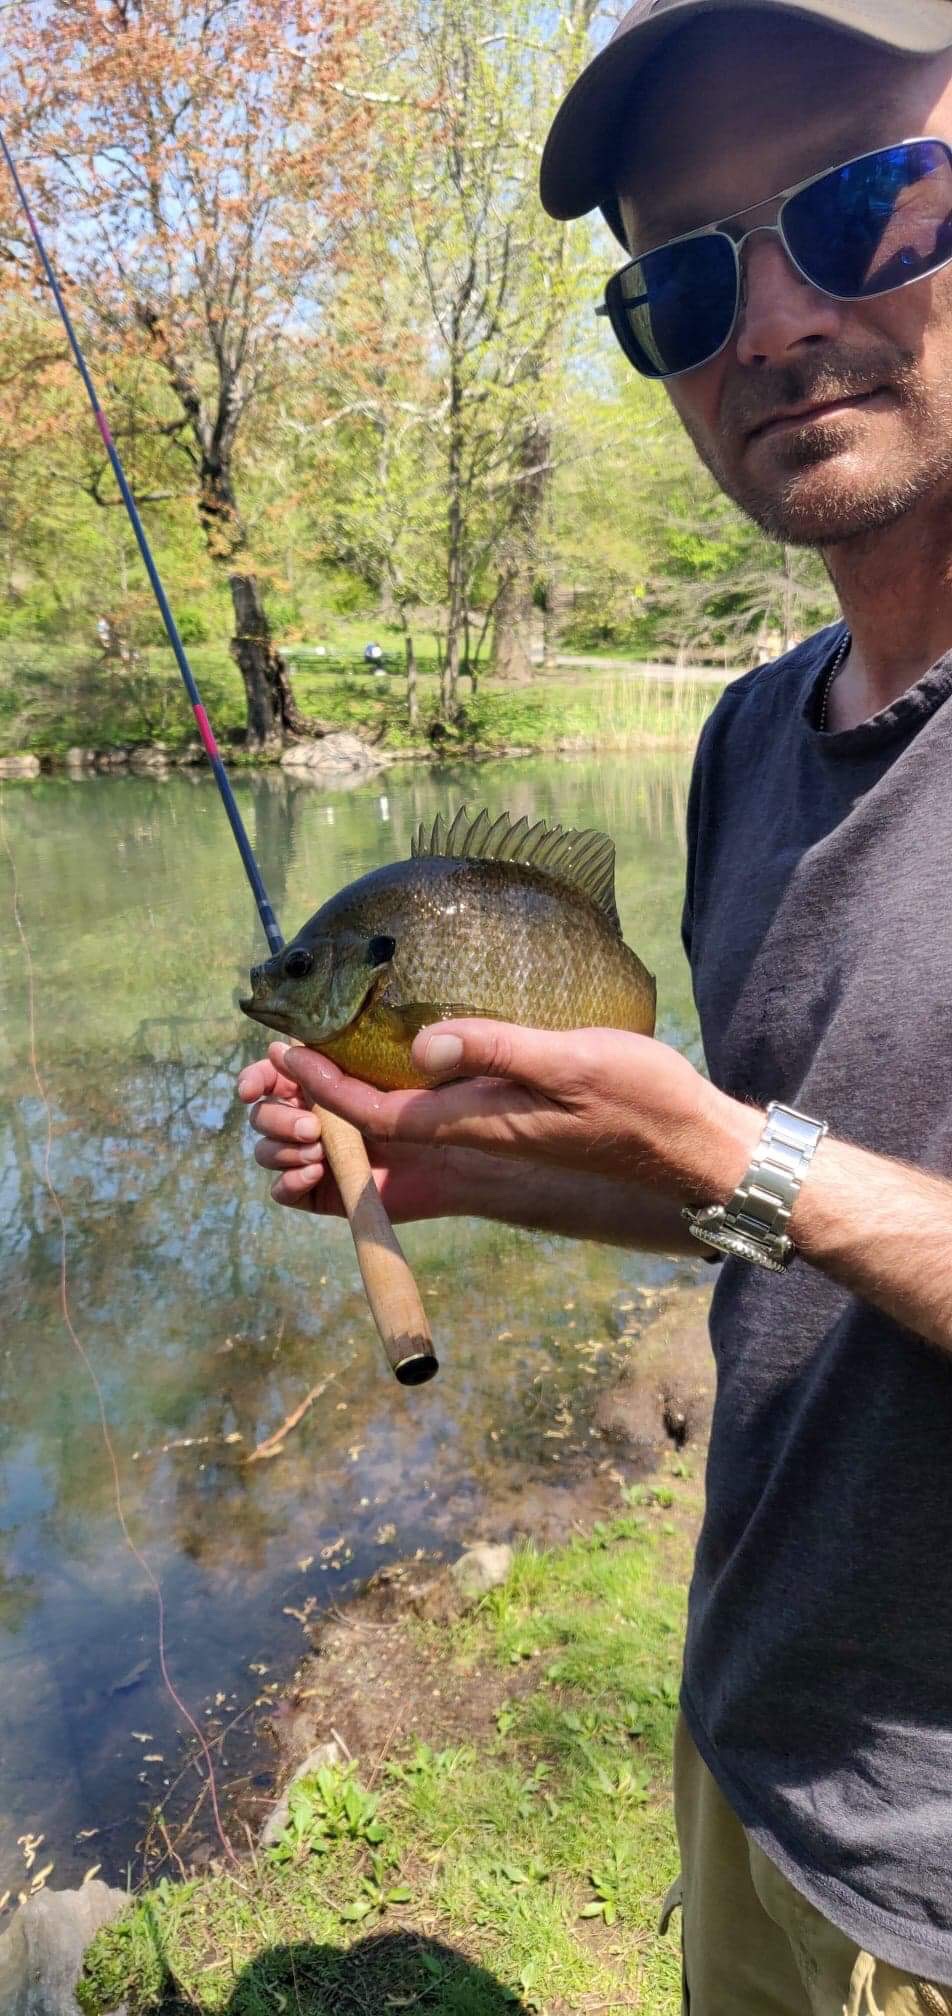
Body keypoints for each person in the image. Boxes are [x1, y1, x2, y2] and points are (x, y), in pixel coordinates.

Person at [238, 3, 952, 2008]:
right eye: (685, 277)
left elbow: (776, 1172)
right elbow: (780, 1200)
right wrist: (482, 1177)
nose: (774, 318)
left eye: (864, 200)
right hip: (753, 1747)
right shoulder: (747, 743)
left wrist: (747, 1157)